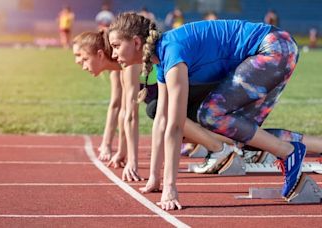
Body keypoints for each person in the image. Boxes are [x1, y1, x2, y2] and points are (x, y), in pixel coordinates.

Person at [108, 12, 309, 210]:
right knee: (240, 133)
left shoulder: (172, 53)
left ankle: (288, 152)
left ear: (136, 42)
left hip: (275, 48)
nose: (113, 54)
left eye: (116, 46)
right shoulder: (163, 61)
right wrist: (155, 177)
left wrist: (170, 188)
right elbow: (161, 119)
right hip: (277, 47)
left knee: (210, 114)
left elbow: (176, 126)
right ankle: (290, 151)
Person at [72, 31, 146, 181]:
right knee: (158, 113)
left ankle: (207, 144)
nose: (82, 65)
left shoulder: (129, 64)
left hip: (191, 82)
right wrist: (121, 151)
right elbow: (125, 112)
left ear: (100, 55)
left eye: (85, 58)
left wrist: (132, 162)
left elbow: (132, 115)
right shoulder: (123, 68)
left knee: (161, 116)